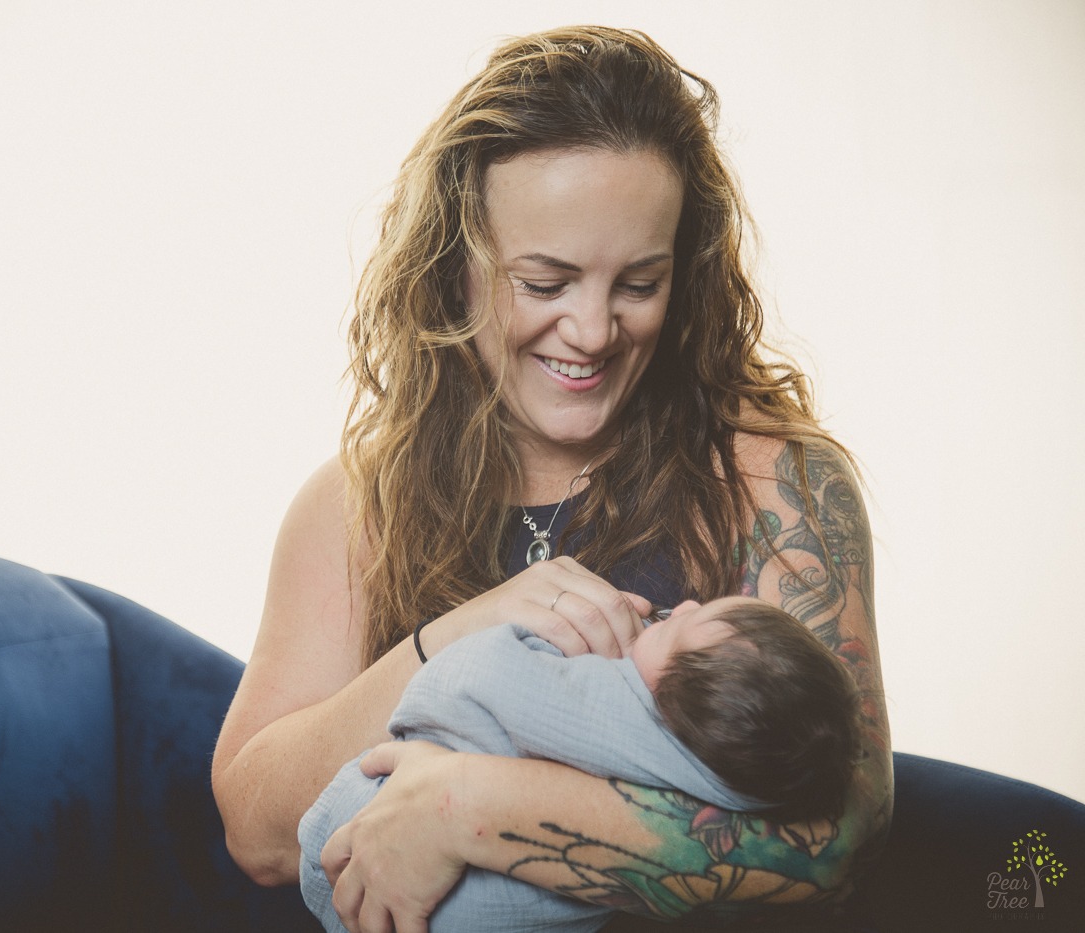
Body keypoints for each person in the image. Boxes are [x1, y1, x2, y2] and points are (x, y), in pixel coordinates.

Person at [212, 25, 892, 933]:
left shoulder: (773, 481)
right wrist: (453, 639)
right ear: (457, 270)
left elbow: (831, 836)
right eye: (546, 281)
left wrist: (472, 810)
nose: (593, 330)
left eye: (638, 283)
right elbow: (256, 833)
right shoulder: (355, 502)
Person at [298, 596, 863, 933]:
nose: (682, 604)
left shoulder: (622, 705)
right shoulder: (755, 774)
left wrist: (532, 638)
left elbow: (480, 677)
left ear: (680, 705)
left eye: (673, 628)